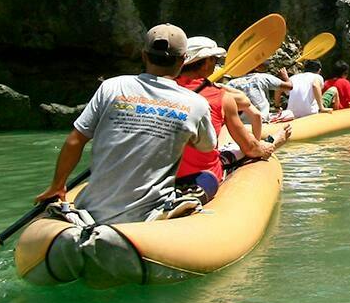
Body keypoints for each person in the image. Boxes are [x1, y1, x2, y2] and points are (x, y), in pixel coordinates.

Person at [36, 24, 216, 224]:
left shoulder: (111, 87)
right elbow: (207, 146)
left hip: (93, 212)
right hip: (148, 218)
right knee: (208, 180)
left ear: (144, 56)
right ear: (183, 60)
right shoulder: (196, 103)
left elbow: (75, 141)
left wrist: (58, 185)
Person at [173, 36, 288, 208]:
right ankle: (272, 140)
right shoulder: (221, 97)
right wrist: (272, 144)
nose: (216, 64)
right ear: (205, 64)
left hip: (164, 173)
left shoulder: (160, 90)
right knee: (245, 150)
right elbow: (250, 148)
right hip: (203, 174)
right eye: (215, 60)